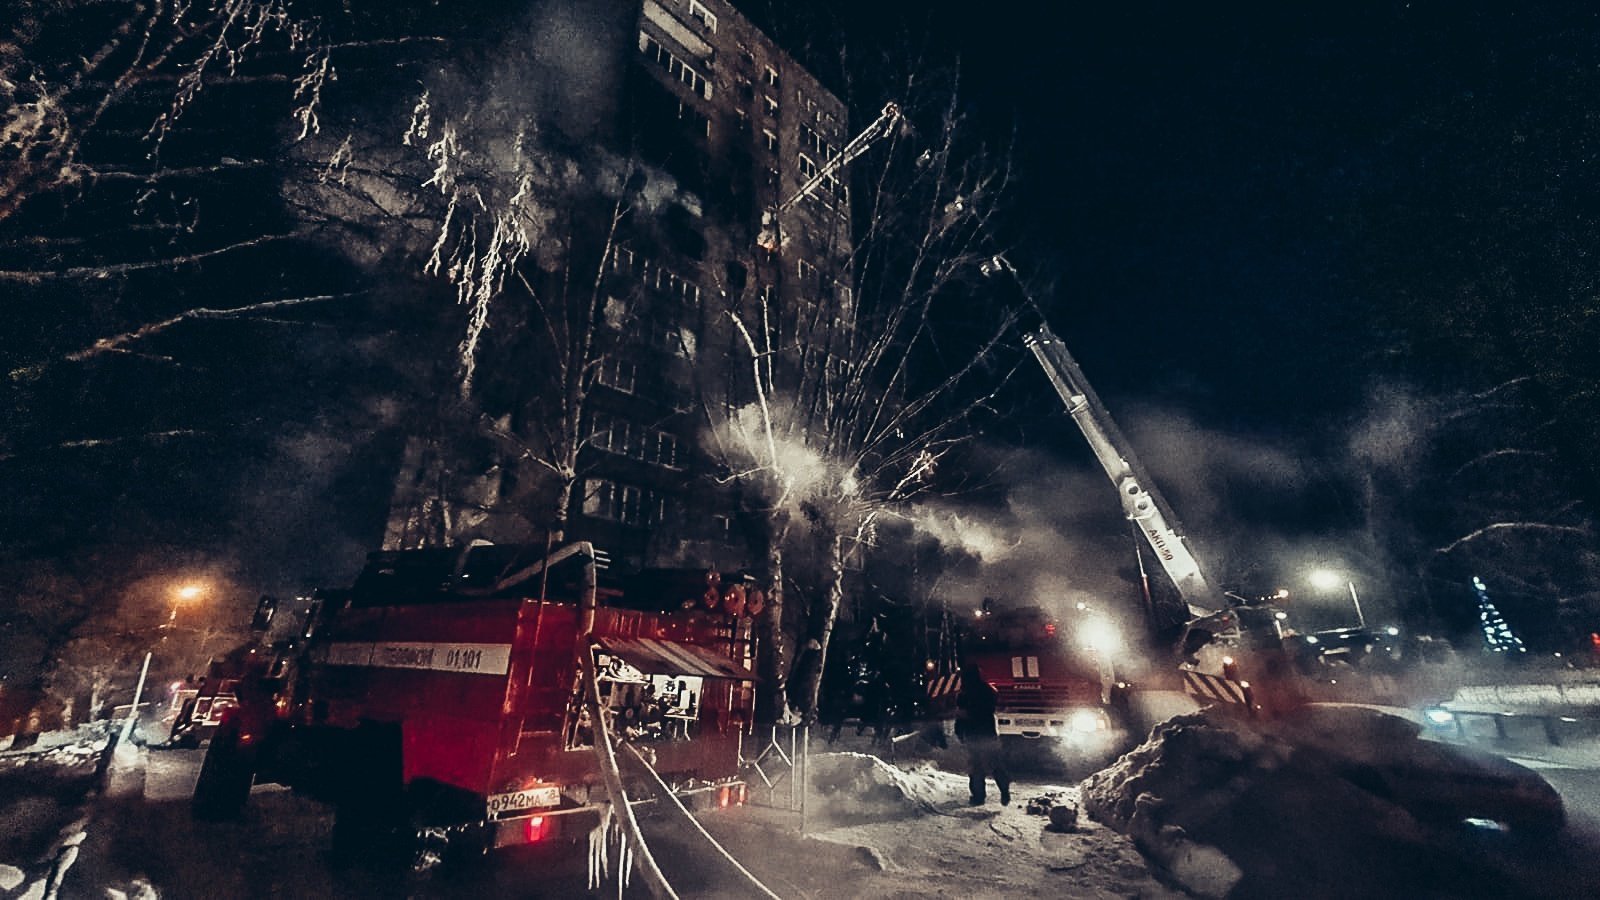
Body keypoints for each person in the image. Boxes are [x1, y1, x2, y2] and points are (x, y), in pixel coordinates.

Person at [954, 664, 1010, 806]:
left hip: (973, 734)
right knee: (995, 763)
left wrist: (959, 733)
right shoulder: (989, 691)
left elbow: (961, 715)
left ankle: (978, 797)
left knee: (976, 767)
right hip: (988, 734)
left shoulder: (964, 694)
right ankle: (1004, 790)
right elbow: (992, 707)